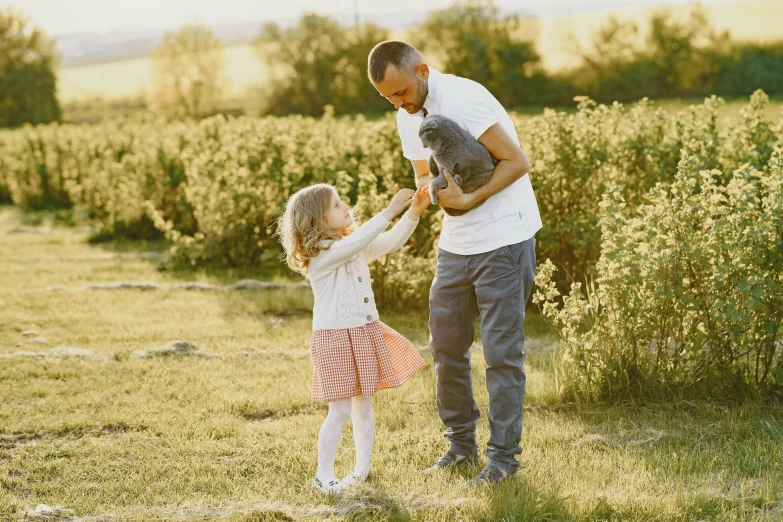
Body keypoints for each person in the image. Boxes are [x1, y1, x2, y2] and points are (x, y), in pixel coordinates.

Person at [367, 40, 543, 486]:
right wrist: (423, 199)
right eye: (388, 98)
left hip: (504, 237)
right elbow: (425, 175)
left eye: (402, 92)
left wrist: (470, 197)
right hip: (456, 243)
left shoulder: (465, 97)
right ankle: (461, 446)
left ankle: (503, 460)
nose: (399, 104)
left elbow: (516, 161)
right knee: (445, 348)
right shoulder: (407, 117)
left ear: (423, 71)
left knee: (502, 354)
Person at [277, 183, 431, 494]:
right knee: (340, 410)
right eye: (336, 205)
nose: (346, 207)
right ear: (318, 219)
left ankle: (361, 469)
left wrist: (413, 212)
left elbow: (388, 242)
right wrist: (389, 211)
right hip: (334, 338)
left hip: (362, 331)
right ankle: (324, 475)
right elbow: (359, 241)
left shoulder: (351, 244)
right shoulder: (322, 255)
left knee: (364, 405)